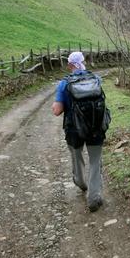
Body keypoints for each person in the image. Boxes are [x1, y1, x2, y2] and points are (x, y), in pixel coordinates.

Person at [52, 52, 105, 212]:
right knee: (95, 161)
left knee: (77, 157)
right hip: (96, 128)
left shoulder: (64, 84)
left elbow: (57, 111)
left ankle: (82, 183)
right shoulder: (96, 79)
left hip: (74, 130)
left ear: (70, 65)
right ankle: (94, 198)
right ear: (83, 63)